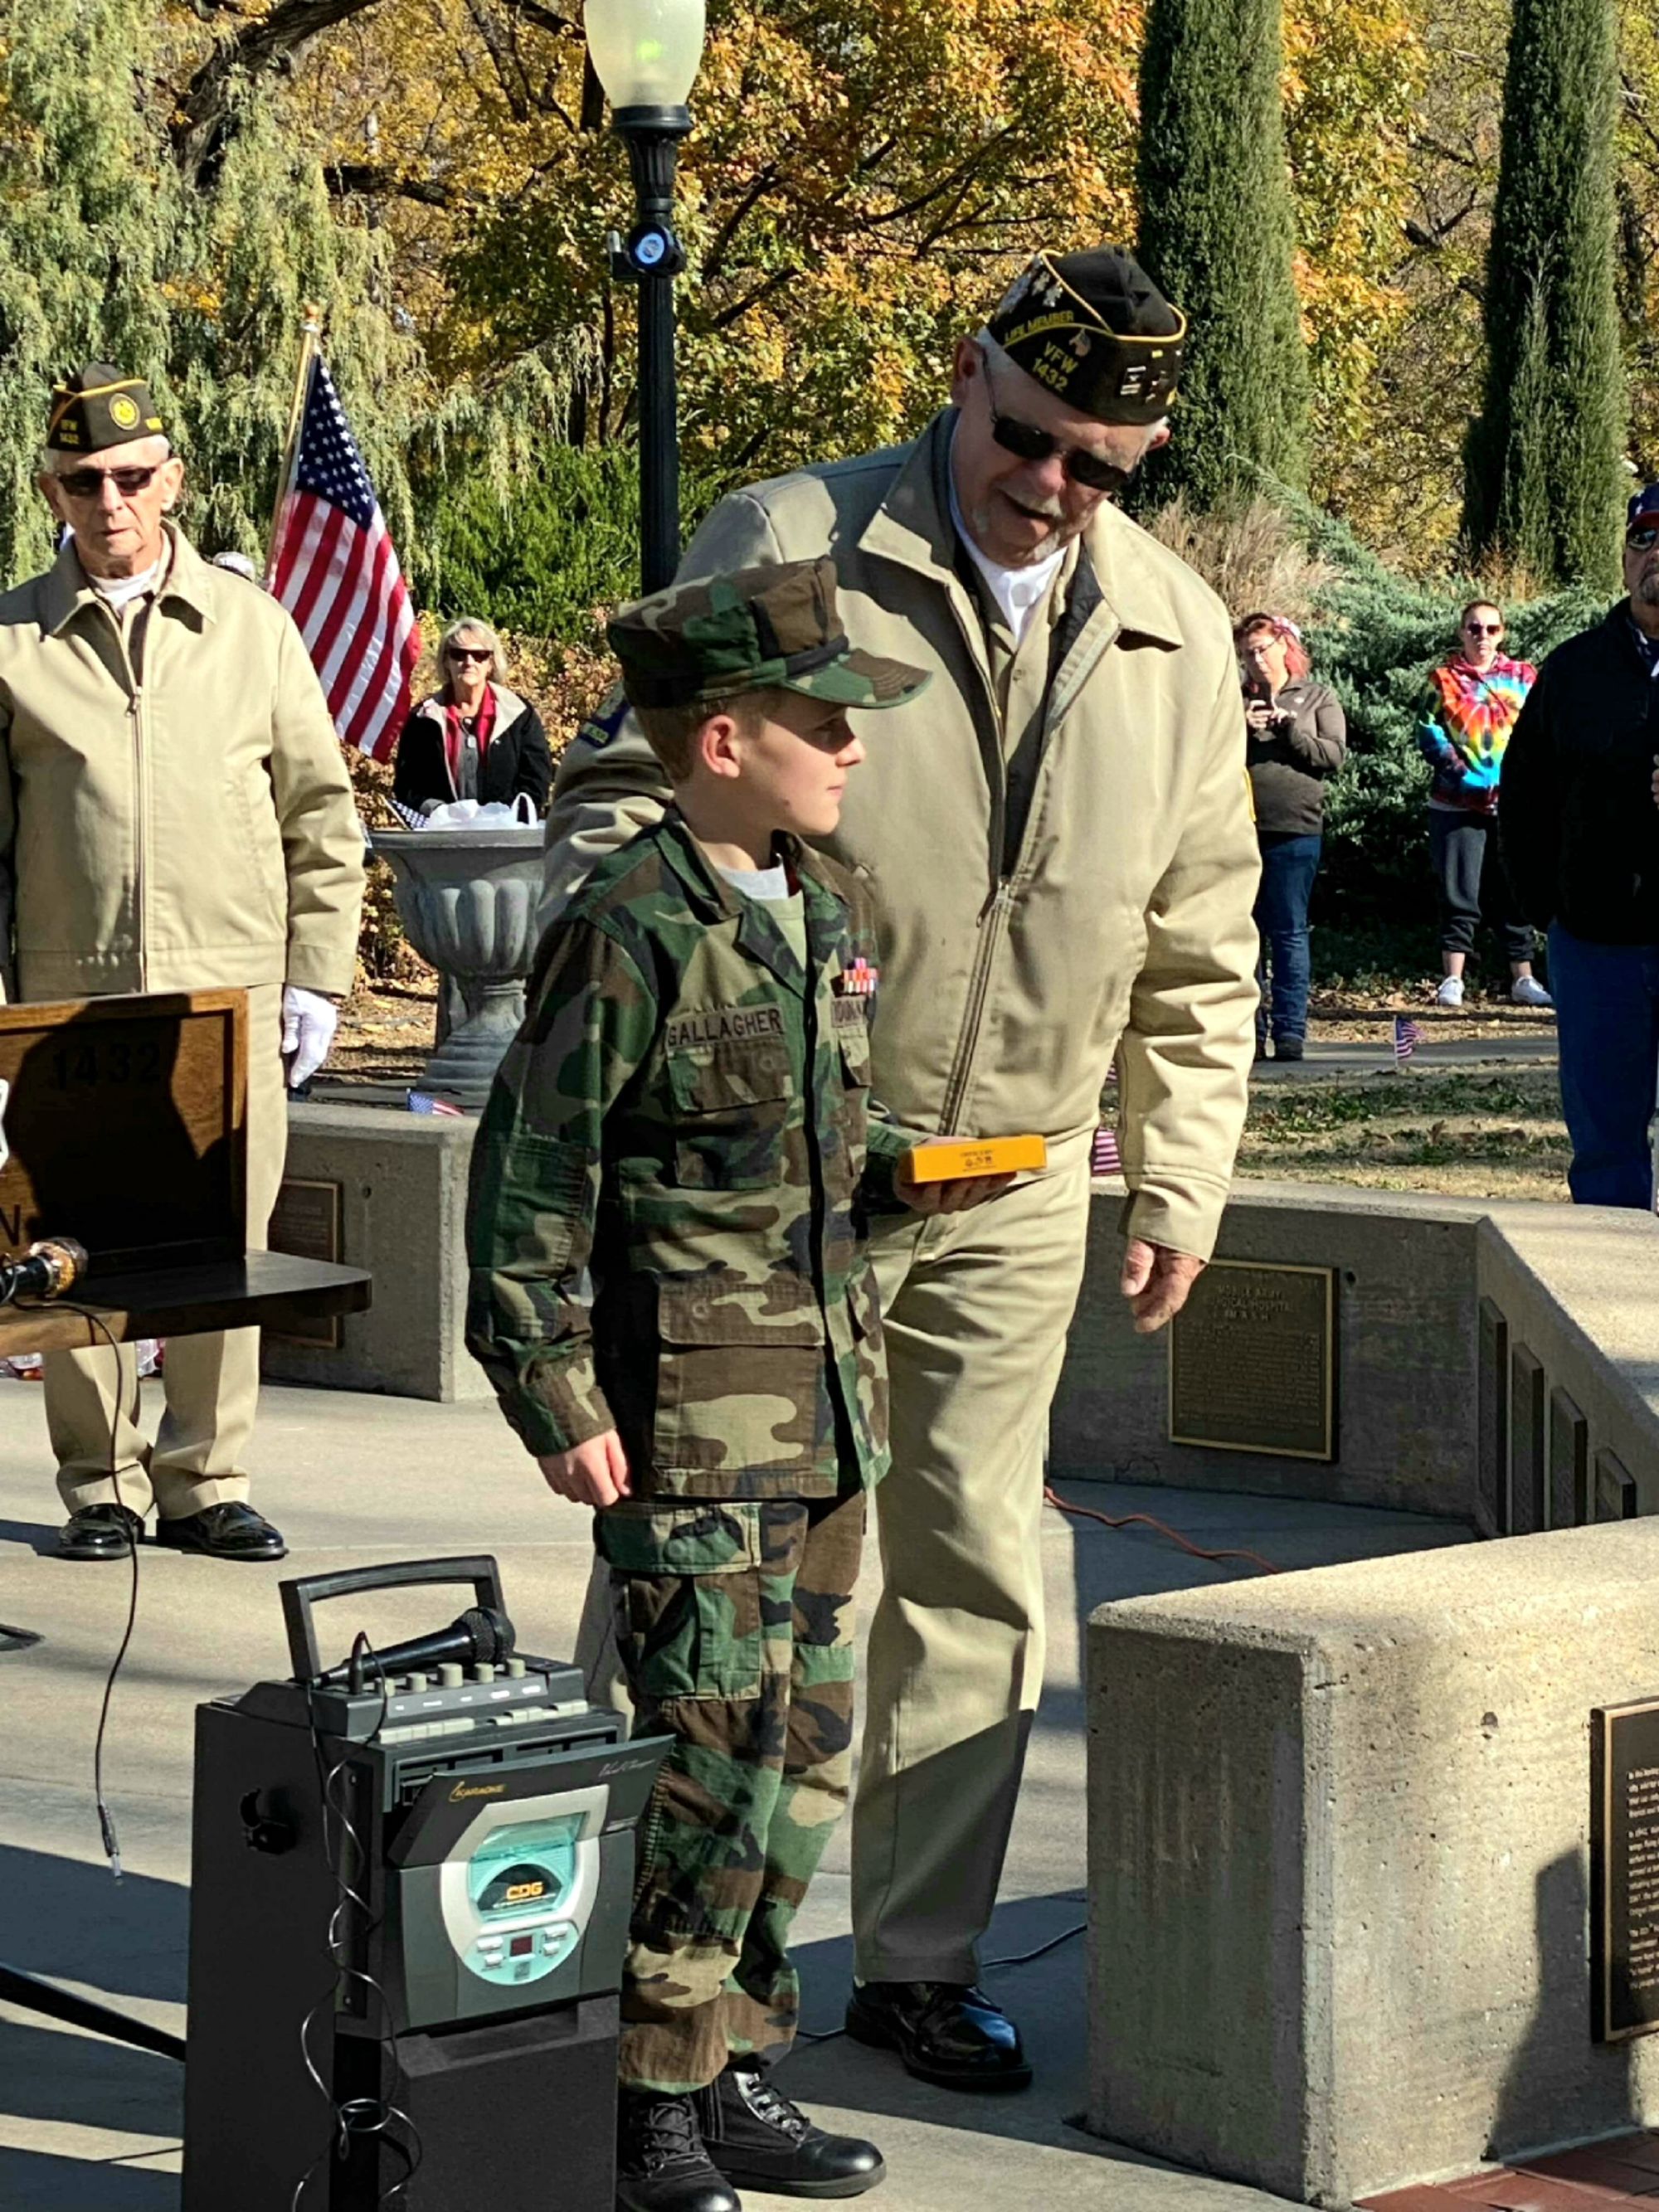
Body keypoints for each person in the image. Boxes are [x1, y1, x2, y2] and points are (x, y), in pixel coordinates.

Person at [541, 247, 1262, 2088]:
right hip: (772, 1182)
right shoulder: (794, 534)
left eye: (1103, 462)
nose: (1053, 485)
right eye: (1028, 436)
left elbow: (1202, 932)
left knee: (972, 1574)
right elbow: (628, 799)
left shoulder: (1171, 629)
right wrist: (680, 1041)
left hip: (1013, 1180)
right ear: (964, 378)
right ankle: (639, 1959)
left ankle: (915, 1959)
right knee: (720, 1577)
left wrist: (1176, 1174)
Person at [466, 557, 1008, 2212]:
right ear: (720, 737)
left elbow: (804, 1161)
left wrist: (925, 1175)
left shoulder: (820, 903)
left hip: (828, 1413)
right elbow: (528, 1189)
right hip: (689, 1432)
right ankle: (645, 2105)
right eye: (818, 716)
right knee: (702, 1753)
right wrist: (557, 1396)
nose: (850, 742)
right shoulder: (625, 924)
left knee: (796, 1756)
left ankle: (736, 2064)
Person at [0, 363, 365, 1562]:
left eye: (132, 476)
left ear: (176, 481)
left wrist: (316, 976)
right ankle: (98, 1481)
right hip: (69, 990)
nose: (110, 500)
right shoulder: (13, 642)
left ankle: (207, 1479)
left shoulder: (253, 631)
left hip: (228, 991)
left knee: (219, 1245)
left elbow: (322, 812)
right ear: (52, 490)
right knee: (73, 1245)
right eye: (83, 480)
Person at [1502, 484, 1659, 1208]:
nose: (1657, 555)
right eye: (1645, 539)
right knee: (1604, 1150)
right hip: (1599, 944)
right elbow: (1525, 792)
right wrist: (1547, 907)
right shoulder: (1573, 671)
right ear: (1627, 560)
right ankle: (1613, 1312)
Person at [1416, 602, 1550, 1009]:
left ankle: (1523, 978)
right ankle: (1453, 978)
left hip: (1513, 802)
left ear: (1502, 633)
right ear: (1461, 632)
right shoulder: (1441, 679)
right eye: (1474, 628)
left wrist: (1524, 783)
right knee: (1459, 892)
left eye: (1492, 629)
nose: (1483, 636)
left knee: (1515, 890)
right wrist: (1465, 777)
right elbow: (1428, 732)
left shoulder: (1524, 677)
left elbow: (1542, 730)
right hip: (1457, 803)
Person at [1236, 612, 1345, 1062]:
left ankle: (1289, 1033)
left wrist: (1289, 727)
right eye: (1246, 654)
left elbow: (1332, 756)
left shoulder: (1317, 696)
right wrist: (1238, 724)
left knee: (1289, 932)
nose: (1255, 661)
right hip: (1240, 827)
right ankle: (1249, 1035)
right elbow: (1203, 751)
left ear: (1285, 646)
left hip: (1295, 829)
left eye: (1261, 649)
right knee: (1245, 935)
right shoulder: (1233, 698)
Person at [392, 615, 552, 816]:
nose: (469, 662)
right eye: (459, 654)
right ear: (446, 661)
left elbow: (537, 781)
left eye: (479, 656)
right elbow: (407, 787)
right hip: (442, 836)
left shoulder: (518, 714)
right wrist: (439, 812)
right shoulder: (423, 719)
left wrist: (509, 816)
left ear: (491, 664)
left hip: (505, 834)